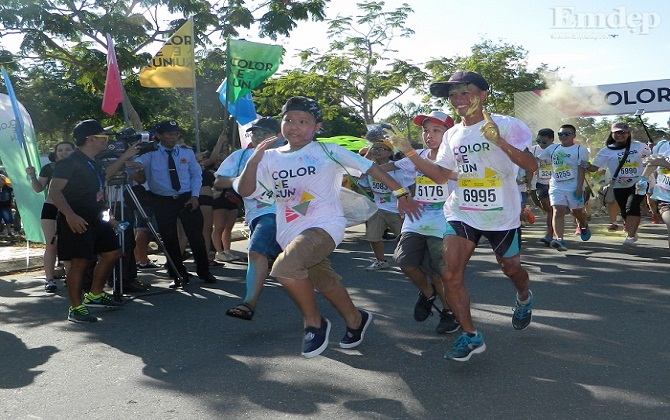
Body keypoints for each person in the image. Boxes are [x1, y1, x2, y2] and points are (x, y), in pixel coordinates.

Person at [237, 96, 421, 358]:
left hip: (325, 225)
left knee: (285, 268)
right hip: (289, 230)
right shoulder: (269, 158)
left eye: (303, 121)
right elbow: (246, 190)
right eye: (289, 120)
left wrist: (401, 192)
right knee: (324, 280)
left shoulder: (327, 150)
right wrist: (254, 160)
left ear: (317, 127)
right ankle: (356, 319)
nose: (294, 126)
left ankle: (314, 323)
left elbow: (370, 168)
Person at [385, 71, 537, 361]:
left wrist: (500, 142)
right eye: (453, 95)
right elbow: (441, 176)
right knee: (449, 274)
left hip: (501, 216)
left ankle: (524, 296)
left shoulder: (507, 125)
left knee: (511, 268)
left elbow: (532, 166)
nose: (458, 99)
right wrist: (408, 152)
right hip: (461, 212)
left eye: (465, 92)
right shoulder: (453, 133)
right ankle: (470, 336)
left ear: (482, 95)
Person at [382, 110, 460, 334]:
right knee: (404, 261)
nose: (429, 135)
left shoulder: (455, 159)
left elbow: (443, 176)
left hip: (444, 220)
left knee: (439, 272)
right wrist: (353, 165)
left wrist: (411, 154)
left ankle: (449, 312)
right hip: (416, 218)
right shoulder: (417, 155)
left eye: (437, 130)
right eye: (426, 131)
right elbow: (383, 169)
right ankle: (428, 294)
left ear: (449, 133)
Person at [47, 119, 123, 322]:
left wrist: (109, 217)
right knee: (80, 262)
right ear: (90, 139)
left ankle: (95, 295)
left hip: (97, 217)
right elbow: (54, 191)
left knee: (113, 253)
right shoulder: (69, 162)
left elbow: (98, 191)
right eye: (102, 137)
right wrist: (70, 215)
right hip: (77, 218)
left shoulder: (94, 162)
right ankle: (76, 308)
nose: (105, 140)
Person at [215, 117, 283, 320]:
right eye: (255, 133)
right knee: (261, 254)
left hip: (291, 215)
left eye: (264, 133)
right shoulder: (241, 156)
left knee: (256, 251)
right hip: (259, 214)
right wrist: (240, 181)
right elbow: (218, 182)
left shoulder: (290, 155)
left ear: (279, 135)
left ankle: (249, 303)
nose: (258, 137)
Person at [134, 120, 216, 288]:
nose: (173, 137)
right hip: (162, 200)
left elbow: (196, 175)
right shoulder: (150, 153)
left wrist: (194, 196)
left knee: (196, 237)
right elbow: (135, 167)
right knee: (169, 238)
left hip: (186, 198)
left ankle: (204, 270)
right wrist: (132, 160)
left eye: (175, 134)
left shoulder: (186, 152)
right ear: (158, 136)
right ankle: (177, 273)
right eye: (169, 134)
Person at [584, 122, 651, 245]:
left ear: (629, 133)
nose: (620, 135)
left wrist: (652, 149)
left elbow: (651, 157)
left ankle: (630, 236)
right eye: (617, 132)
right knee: (625, 211)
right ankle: (633, 231)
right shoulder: (606, 151)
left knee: (632, 206)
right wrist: (584, 163)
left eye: (623, 132)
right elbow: (594, 168)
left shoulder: (639, 146)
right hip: (618, 185)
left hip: (638, 183)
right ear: (612, 134)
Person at [358, 131, 414, 271]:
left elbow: (410, 188)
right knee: (373, 236)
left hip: (397, 210)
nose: (377, 151)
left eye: (382, 148)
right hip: (378, 208)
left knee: (404, 238)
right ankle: (381, 261)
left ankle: (411, 262)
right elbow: (361, 180)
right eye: (375, 148)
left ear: (390, 153)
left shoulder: (398, 169)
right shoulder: (370, 168)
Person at [26, 141, 76, 292]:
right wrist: (32, 175)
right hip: (51, 208)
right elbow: (38, 188)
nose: (64, 152)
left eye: (68, 149)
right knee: (51, 244)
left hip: (71, 209)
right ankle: (50, 280)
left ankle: (71, 278)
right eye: (60, 150)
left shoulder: (79, 166)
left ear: (75, 151)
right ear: (55, 153)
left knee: (69, 244)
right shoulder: (49, 168)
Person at [536, 124, 591, 251]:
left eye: (567, 134)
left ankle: (583, 225)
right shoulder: (553, 148)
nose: (563, 136)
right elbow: (537, 160)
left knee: (576, 212)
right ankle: (559, 240)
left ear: (574, 136)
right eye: (561, 134)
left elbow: (581, 169)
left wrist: (578, 187)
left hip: (574, 187)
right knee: (557, 210)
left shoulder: (580, 150)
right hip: (556, 186)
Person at [639, 138, 670, 250]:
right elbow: (653, 163)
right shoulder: (662, 146)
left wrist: (666, 164)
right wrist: (643, 179)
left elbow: (662, 163)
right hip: (666, 198)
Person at [530, 129, 555, 245]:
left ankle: (550, 234)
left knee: (552, 209)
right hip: (540, 184)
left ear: (552, 140)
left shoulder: (558, 149)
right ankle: (551, 232)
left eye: (544, 142)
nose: (541, 144)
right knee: (547, 209)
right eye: (538, 141)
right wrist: (528, 183)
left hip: (556, 184)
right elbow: (528, 166)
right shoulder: (533, 150)